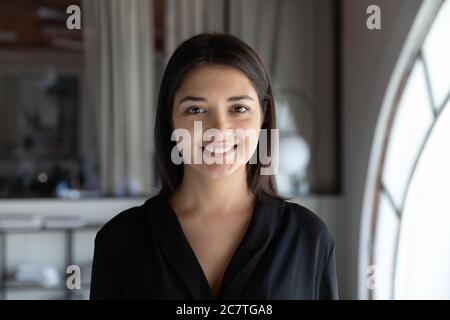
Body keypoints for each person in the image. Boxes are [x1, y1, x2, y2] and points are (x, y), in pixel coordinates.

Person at [90, 32, 338, 300]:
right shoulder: (121, 241)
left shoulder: (308, 237)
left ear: (263, 117)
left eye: (239, 109)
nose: (219, 129)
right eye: (196, 110)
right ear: (170, 121)